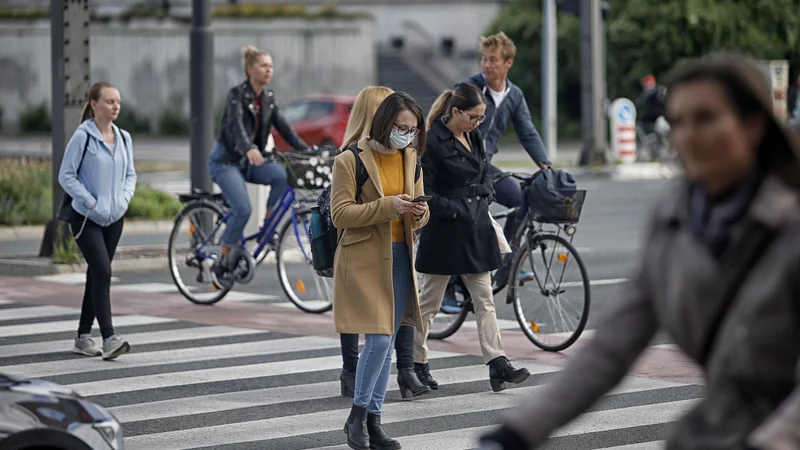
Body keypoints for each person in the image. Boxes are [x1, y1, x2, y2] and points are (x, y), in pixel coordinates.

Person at [479, 53, 800, 450]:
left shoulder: (789, 221)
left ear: (753, 126)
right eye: (678, 122)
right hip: (717, 432)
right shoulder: (674, 219)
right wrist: (516, 431)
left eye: (706, 119)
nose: (687, 136)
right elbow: (613, 346)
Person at [413, 83, 531, 394]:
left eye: (482, 118)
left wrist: (486, 192)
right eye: (474, 117)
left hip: (475, 226)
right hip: (445, 230)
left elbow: (484, 169)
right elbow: (426, 192)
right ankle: (416, 362)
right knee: (429, 302)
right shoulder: (431, 141)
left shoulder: (473, 135)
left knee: (485, 300)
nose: (478, 123)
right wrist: (456, 208)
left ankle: (497, 363)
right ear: (455, 112)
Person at [331, 91, 429, 450]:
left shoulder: (411, 158)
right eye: (401, 127)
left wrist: (419, 213)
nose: (407, 134)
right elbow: (341, 214)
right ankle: (358, 417)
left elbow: (420, 210)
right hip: (364, 259)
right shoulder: (349, 159)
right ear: (383, 122)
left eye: (413, 129)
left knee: (385, 343)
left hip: (401, 256)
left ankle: (372, 423)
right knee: (380, 339)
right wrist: (387, 206)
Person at [440, 32, 550, 312]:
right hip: (459, 163)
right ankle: (450, 286)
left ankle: (506, 263)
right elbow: (444, 120)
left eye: (493, 60)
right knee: (469, 214)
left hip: (485, 164)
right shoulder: (469, 89)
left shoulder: (514, 95)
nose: (486, 65)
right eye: (484, 59)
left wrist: (545, 164)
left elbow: (527, 131)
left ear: (508, 63)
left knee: (518, 200)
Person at [209, 45, 309, 285]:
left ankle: (267, 227)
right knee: (243, 209)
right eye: (264, 66)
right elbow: (235, 127)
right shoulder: (236, 95)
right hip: (227, 161)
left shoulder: (268, 98)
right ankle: (222, 257)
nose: (269, 70)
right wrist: (249, 148)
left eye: (271, 66)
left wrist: (308, 152)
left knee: (280, 176)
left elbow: (285, 128)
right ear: (250, 69)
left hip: (251, 161)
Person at [58, 81, 136, 360]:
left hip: (114, 218)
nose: (115, 106)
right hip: (85, 217)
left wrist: (124, 200)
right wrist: (90, 201)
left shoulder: (124, 137)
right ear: (93, 104)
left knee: (96, 275)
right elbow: (65, 175)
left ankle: (82, 337)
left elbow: (131, 175)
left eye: (117, 101)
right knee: (103, 272)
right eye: (109, 101)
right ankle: (109, 338)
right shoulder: (84, 137)